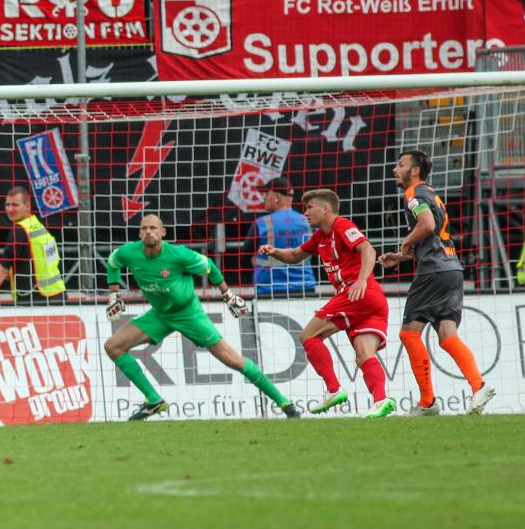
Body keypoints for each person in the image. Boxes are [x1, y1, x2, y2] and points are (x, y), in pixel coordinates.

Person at [103, 214, 302, 421]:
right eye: (144, 228)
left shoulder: (179, 255)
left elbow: (209, 267)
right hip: (160, 314)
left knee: (232, 359)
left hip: (188, 314)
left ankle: (284, 403)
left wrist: (228, 295)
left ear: (163, 232)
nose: (148, 232)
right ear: (139, 233)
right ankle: (153, 400)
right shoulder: (129, 252)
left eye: (153, 228)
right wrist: (114, 295)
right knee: (113, 346)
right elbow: (113, 262)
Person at [258, 190, 397, 418]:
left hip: (357, 293)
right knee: (364, 354)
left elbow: (368, 249)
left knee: (308, 336)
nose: (306, 213)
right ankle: (381, 400)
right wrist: (275, 251)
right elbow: (294, 255)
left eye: (310, 207)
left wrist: (361, 279)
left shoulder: (341, 225)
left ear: (325, 208)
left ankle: (333, 390)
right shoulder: (320, 237)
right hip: (371, 300)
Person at [379, 150, 496, 416]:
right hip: (452, 269)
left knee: (409, 333)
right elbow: (431, 234)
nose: (395, 169)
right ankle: (478, 385)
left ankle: (427, 402)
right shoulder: (431, 193)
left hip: (433, 272)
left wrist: (406, 242)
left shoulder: (413, 193)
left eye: (401, 165)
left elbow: (427, 225)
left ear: (415, 170)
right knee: (446, 335)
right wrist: (402, 256)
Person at [0, 187, 66, 305]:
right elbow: (39, 265)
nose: (10, 209)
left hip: (36, 300)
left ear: (27, 206)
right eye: (7, 204)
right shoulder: (38, 226)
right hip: (58, 294)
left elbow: (0, 274)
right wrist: (8, 271)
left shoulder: (18, 231)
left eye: (15, 205)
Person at [252, 178, 317, 298]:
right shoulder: (308, 222)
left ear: (277, 196)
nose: (264, 198)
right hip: (304, 287)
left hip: (269, 289)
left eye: (266, 194)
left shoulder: (262, 223)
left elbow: (246, 255)